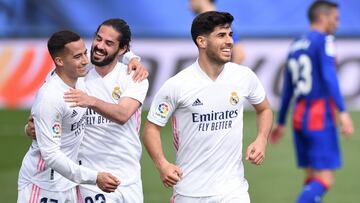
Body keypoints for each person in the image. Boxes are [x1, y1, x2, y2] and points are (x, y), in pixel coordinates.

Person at [142, 11, 273, 203]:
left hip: (234, 191)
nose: (229, 41)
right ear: (202, 42)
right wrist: (162, 164)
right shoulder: (177, 85)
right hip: (190, 193)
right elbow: (151, 128)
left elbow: (264, 109)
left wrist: (261, 139)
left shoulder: (244, 76)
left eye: (230, 34)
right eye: (221, 35)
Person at [25, 19, 149, 202]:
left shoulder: (133, 76)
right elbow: (44, 109)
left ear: (122, 49)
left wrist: (90, 101)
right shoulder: (77, 73)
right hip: (90, 179)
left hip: (129, 178)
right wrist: (30, 128)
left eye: (108, 43)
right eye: (98, 39)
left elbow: (123, 114)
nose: (99, 46)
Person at [17, 30, 120, 203]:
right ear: (59, 61)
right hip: (42, 185)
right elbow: (50, 155)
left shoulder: (79, 79)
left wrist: (133, 59)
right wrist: (95, 177)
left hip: (68, 183)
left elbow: (113, 51)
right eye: (78, 56)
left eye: (85, 53)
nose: (86, 60)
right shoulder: (51, 97)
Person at [270, 1, 354, 203]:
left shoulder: (296, 43)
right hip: (319, 116)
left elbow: (288, 87)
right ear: (323, 18)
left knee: (310, 177)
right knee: (325, 178)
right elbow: (329, 76)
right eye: (336, 18)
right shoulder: (325, 40)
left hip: (299, 117)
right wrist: (343, 111)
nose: (338, 23)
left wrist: (281, 122)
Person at [189, 0, 245, 64]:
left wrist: (229, 73)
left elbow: (240, 54)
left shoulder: (218, 23)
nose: (189, 4)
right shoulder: (210, 23)